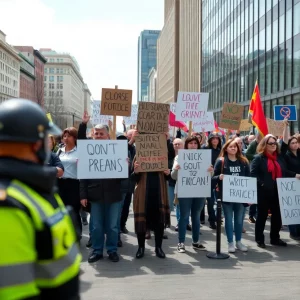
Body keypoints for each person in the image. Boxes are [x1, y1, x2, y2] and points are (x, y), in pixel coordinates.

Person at [0, 99, 81, 300]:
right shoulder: (7, 206)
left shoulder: (33, 186)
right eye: (46, 138)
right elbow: (15, 290)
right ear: (35, 143)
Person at [79, 113, 123, 263]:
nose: (98, 136)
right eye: (96, 133)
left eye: (101, 133)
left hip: (113, 194)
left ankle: (112, 250)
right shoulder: (88, 150)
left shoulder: (116, 149)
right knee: (96, 226)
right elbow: (83, 176)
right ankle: (97, 250)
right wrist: (83, 195)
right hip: (95, 194)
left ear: (107, 135)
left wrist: (125, 164)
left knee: (112, 226)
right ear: (93, 134)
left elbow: (123, 177)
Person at [251, 134, 300, 248]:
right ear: (265, 145)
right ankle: (260, 239)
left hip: (279, 191)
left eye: (275, 143)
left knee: (277, 216)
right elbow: (253, 174)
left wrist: (294, 175)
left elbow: (284, 170)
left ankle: (275, 238)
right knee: (262, 216)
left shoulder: (279, 157)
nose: (273, 145)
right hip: (264, 192)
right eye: (271, 143)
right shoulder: (259, 158)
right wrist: (262, 183)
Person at [172, 136, 214, 253]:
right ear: (186, 145)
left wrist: (211, 171)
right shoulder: (179, 157)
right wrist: (176, 169)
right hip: (185, 191)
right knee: (184, 216)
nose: (193, 145)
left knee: (196, 216)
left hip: (200, 191)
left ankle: (196, 241)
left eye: (195, 143)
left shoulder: (204, 157)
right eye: (191, 143)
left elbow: (209, 176)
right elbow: (173, 176)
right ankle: (181, 242)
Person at [132, 139, 171, 259]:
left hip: (159, 193)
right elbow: (132, 177)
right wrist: (136, 171)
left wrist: (167, 173)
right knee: (141, 222)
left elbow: (169, 177)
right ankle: (141, 247)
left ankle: (158, 247)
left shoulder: (163, 156)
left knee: (159, 222)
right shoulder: (138, 156)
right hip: (143, 194)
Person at [213, 139, 250, 253]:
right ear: (226, 148)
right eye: (231, 146)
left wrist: (249, 196)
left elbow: (248, 179)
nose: (233, 148)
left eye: (235, 146)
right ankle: (230, 243)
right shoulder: (221, 161)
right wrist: (219, 177)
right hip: (226, 196)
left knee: (239, 221)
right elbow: (213, 178)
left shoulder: (243, 162)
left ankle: (238, 242)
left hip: (240, 196)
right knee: (229, 220)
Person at [57, 127, 82, 237]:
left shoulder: (80, 151)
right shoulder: (59, 151)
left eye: (69, 136)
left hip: (74, 185)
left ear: (75, 138)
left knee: (74, 211)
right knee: (61, 211)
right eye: (64, 136)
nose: (66, 138)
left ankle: (77, 234)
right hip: (60, 184)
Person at [201, 132, 222, 228]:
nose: (215, 140)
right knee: (207, 200)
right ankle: (207, 219)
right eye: (213, 138)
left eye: (217, 138)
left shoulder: (221, 151)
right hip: (205, 177)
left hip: (217, 178)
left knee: (215, 200)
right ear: (210, 140)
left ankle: (214, 219)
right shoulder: (204, 149)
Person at [281, 134, 300, 240]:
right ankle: (293, 232)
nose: (295, 144)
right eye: (292, 143)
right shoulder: (286, 156)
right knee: (292, 208)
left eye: (296, 142)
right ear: (288, 145)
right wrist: (295, 175)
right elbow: (283, 169)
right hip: (291, 184)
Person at [246, 129, 262, 224]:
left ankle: (258, 214)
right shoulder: (254, 144)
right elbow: (247, 154)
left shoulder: (266, 144)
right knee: (254, 195)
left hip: (263, 172)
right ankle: (251, 215)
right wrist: (258, 156)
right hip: (255, 171)